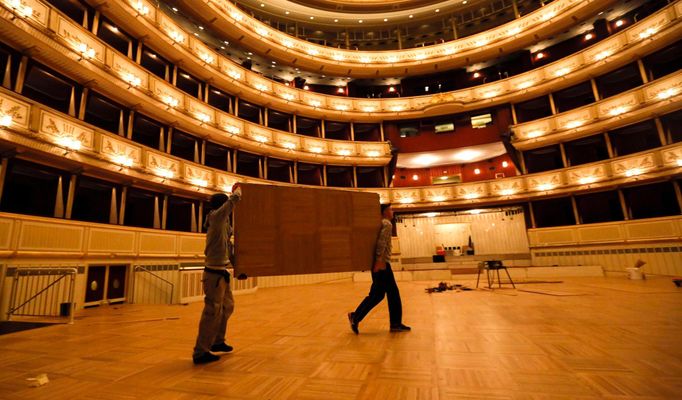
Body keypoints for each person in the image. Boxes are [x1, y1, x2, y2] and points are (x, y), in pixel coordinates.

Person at [192, 183, 242, 364]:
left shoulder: (225, 225)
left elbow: (229, 249)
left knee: (227, 307)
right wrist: (239, 190)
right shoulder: (216, 218)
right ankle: (200, 351)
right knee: (212, 312)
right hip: (213, 275)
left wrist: (239, 267)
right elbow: (231, 202)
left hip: (222, 272)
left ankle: (217, 342)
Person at [348, 203, 410, 334]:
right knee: (392, 293)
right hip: (382, 264)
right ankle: (395, 324)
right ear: (385, 212)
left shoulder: (379, 224)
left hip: (380, 263)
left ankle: (356, 316)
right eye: (391, 209)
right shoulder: (387, 224)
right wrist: (379, 261)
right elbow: (381, 242)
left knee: (377, 295)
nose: (393, 212)